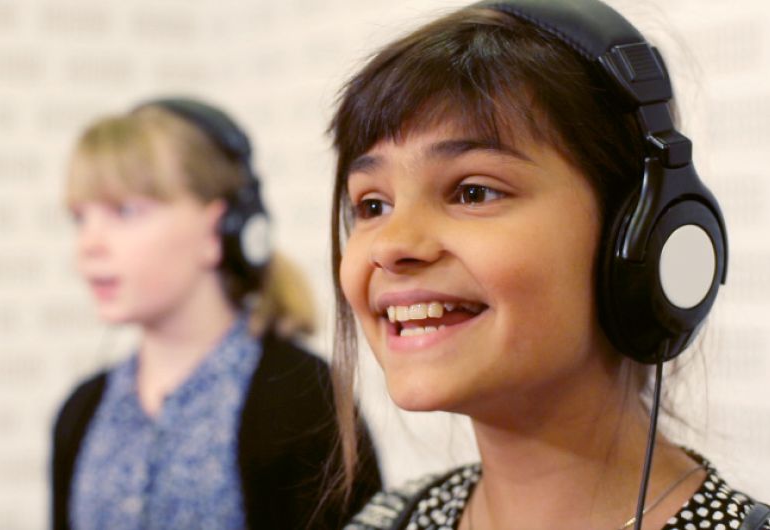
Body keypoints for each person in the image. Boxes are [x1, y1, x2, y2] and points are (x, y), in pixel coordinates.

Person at [325, 1, 769, 529]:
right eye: (372, 205)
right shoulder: (385, 521)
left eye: (473, 192)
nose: (391, 246)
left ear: (641, 234)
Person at [50, 97, 381, 530]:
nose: (89, 245)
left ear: (218, 228)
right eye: (81, 218)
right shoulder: (80, 412)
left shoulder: (301, 400)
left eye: (125, 211)